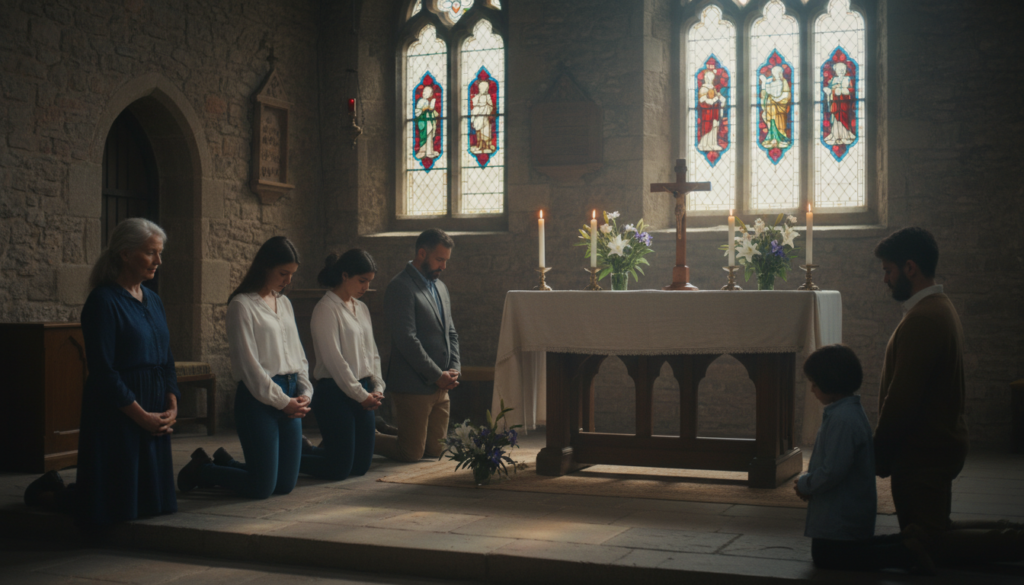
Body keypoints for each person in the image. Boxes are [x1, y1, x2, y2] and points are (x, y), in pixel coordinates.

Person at [873, 227, 1024, 564]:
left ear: (910, 267)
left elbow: (902, 400)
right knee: (936, 529)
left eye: (888, 270)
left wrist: (878, 454)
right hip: (935, 445)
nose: (885, 279)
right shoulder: (938, 307)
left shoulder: (923, 319)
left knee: (928, 542)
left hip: (922, 451)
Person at [24, 218, 179, 529]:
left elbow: (166, 358)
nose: (158, 261)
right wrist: (141, 416)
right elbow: (103, 372)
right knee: (109, 506)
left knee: (153, 505)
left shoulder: (154, 300)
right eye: (151, 253)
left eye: (160, 253)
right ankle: (44, 494)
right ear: (124, 253)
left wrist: (171, 404)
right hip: (119, 409)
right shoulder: (103, 301)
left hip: (153, 405)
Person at [177, 236, 313, 499]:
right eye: (282, 273)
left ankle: (226, 464)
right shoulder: (241, 305)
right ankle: (204, 469)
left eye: (292, 274)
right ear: (265, 267)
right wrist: (282, 401)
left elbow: (299, 356)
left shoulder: (284, 303)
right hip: (258, 399)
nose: (288, 281)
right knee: (262, 488)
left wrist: (305, 393)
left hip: (290, 394)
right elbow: (249, 367)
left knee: (284, 485)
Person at [794, 344, 931, 573]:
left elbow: (832, 471)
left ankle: (906, 552)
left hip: (840, 514)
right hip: (846, 513)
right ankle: (904, 539)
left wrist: (806, 484)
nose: (812, 390)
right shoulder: (848, 412)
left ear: (831, 384)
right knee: (849, 548)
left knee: (827, 557)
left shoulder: (842, 421)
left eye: (815, 384)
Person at [375, 229, 460, 462]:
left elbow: (450, 332)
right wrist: (436, 374)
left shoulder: (440, 287)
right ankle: (366, 435)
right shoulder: (400, 286)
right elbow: (406, 339)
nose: (443, 266)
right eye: (440, 259)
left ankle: (400, 433)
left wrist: (454, 368)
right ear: (422, 253)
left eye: (446, 261)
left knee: (435, 451)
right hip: (413, 383)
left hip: (441, 385)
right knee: (411, 453)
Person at [302, 249, 384, 480]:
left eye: (369, 281)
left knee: (359, 467)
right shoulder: (325, 309)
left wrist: (377, 387)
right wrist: (360, 394)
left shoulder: (362, 308)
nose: (366, 287)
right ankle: (288, 457)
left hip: (364, 390)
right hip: (335, 393)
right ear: (344, 275)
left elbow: (372, 353)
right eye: (362, 281)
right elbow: (334, 360)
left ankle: (306, 451)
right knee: (338, 469)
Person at [824, 62, 855, 146]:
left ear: (845, 70)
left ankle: (845, 135)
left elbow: (851, 91)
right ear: (836, 71)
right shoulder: (833, 79)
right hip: (835, 103)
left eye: (843, 69)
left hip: (844, 104)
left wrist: (842, 91)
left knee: (844, 118)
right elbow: (830, 89)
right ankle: (835, 135)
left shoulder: (847, 79)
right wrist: (829, 91)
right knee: (835, 120)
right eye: (839, 69)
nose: (841, 71)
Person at [760, 65, 791, 149]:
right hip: (771, 104)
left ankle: (780, 138)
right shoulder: (771, 82)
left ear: (780, 73)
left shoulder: (783, 81)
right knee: (769, 118)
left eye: (777, 73)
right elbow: (767, 91)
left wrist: (777, 99)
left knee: (778, 120)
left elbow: (786, 94)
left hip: (780, 106)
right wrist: (764, 83)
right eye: (774, 73)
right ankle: (772, 137)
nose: (775, 74)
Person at [696, 65, 726, 153]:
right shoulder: (703, 89)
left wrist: (721, 99)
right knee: (707, 127)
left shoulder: (712, 88)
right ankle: (704, 144)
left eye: (711, 78)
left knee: (714, 127)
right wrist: (713, 100)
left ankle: (713, 144)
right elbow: (702, 101)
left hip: (714, 112)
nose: (710, 80)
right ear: (706, 78)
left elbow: (717, 95)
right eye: (709, 78)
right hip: (707, 113)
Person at [469, 79, 495, 155]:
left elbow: (491, 106)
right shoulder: (477, 96)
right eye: (481, 88)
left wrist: (486, 108)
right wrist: (478, 109)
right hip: (478, 117)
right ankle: (479, 145)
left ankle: (486, 146)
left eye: (484, 88)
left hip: (485, 117)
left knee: (486, 131)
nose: (482, 90)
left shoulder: (488, 96)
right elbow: (474, 105)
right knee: (479, 132)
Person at [415, 84, 439, 160]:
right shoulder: (422, 101)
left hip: (429, 122)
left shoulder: (427, 101)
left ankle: (430, 151)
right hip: (424, 122)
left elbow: (432, 110)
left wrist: (432, 105)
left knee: (430, 135)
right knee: (425, 136)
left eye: (427, 91)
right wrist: (427, 108)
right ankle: (423, 151)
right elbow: (419, 111)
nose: (424, 93)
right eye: (424, 91)